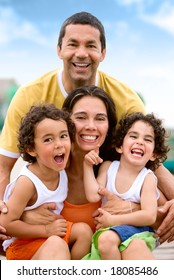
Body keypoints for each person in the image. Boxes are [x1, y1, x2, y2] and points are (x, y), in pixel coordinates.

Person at [0, 11, 174, 244]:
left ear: (102, 53)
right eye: (73, 44)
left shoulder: (125, 99)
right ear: (59, 49)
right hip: (54, 183)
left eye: (91, 45)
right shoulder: (30, 95)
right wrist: (10, 217)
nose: (81, 53)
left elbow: (151, 161)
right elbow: (3, 168)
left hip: (102, 181)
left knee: (161, 201)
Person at [0, 103, 93, 260]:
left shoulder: (61, 169)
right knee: (57, 244)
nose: (59, 144)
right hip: (22, 245)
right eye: (48, 139)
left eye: (63, 136)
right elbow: (6, 224)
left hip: (50, 235)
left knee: (84, 232)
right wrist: (45, 230)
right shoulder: (27, 183)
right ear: (31, 149)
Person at [82, 112, 169, 260]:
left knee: (107, 240)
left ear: (153, 154)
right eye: (133, 136)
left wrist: (113, 221)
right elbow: (93, 195)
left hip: (138, 229)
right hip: (110, 228)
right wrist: (87, 166)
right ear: (119, 146)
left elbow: (149, 216)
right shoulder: (108, 167)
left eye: (147, 139)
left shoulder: (147, 178)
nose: (140, 142)